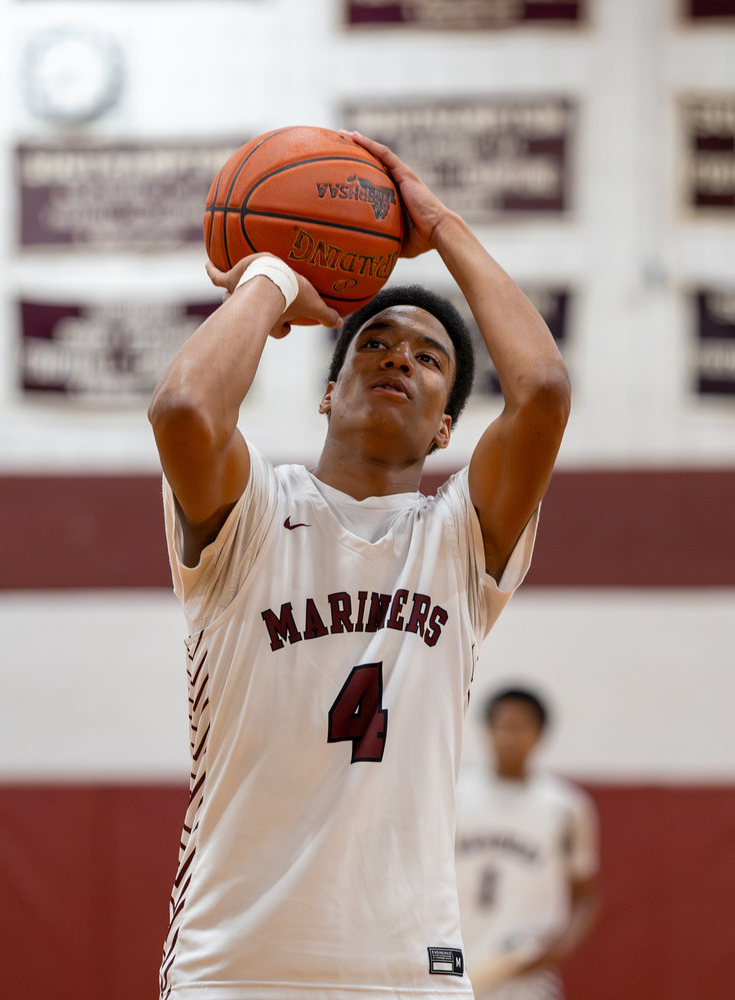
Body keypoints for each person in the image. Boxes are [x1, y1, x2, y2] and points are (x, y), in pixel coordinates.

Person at [146, 130, 570, 1000]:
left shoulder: (460, 539)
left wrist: (441, 222)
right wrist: (269, 274)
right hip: (234, 967)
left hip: (407, 972)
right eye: (375, 345)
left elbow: (545, 393)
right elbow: (185, 408)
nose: (400, 361)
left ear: (448, 426)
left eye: (429, 359)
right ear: (328, 390)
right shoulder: (255, 508)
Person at [455, 688, 598, 1000]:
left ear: (540, 735)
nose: (510, 737)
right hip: (456, 967)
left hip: (525, 977)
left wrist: (556, 951)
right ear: (487, 731)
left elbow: (585, 897)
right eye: (503, 726)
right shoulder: (454, 795)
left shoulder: (566, 806)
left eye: (521, 727)